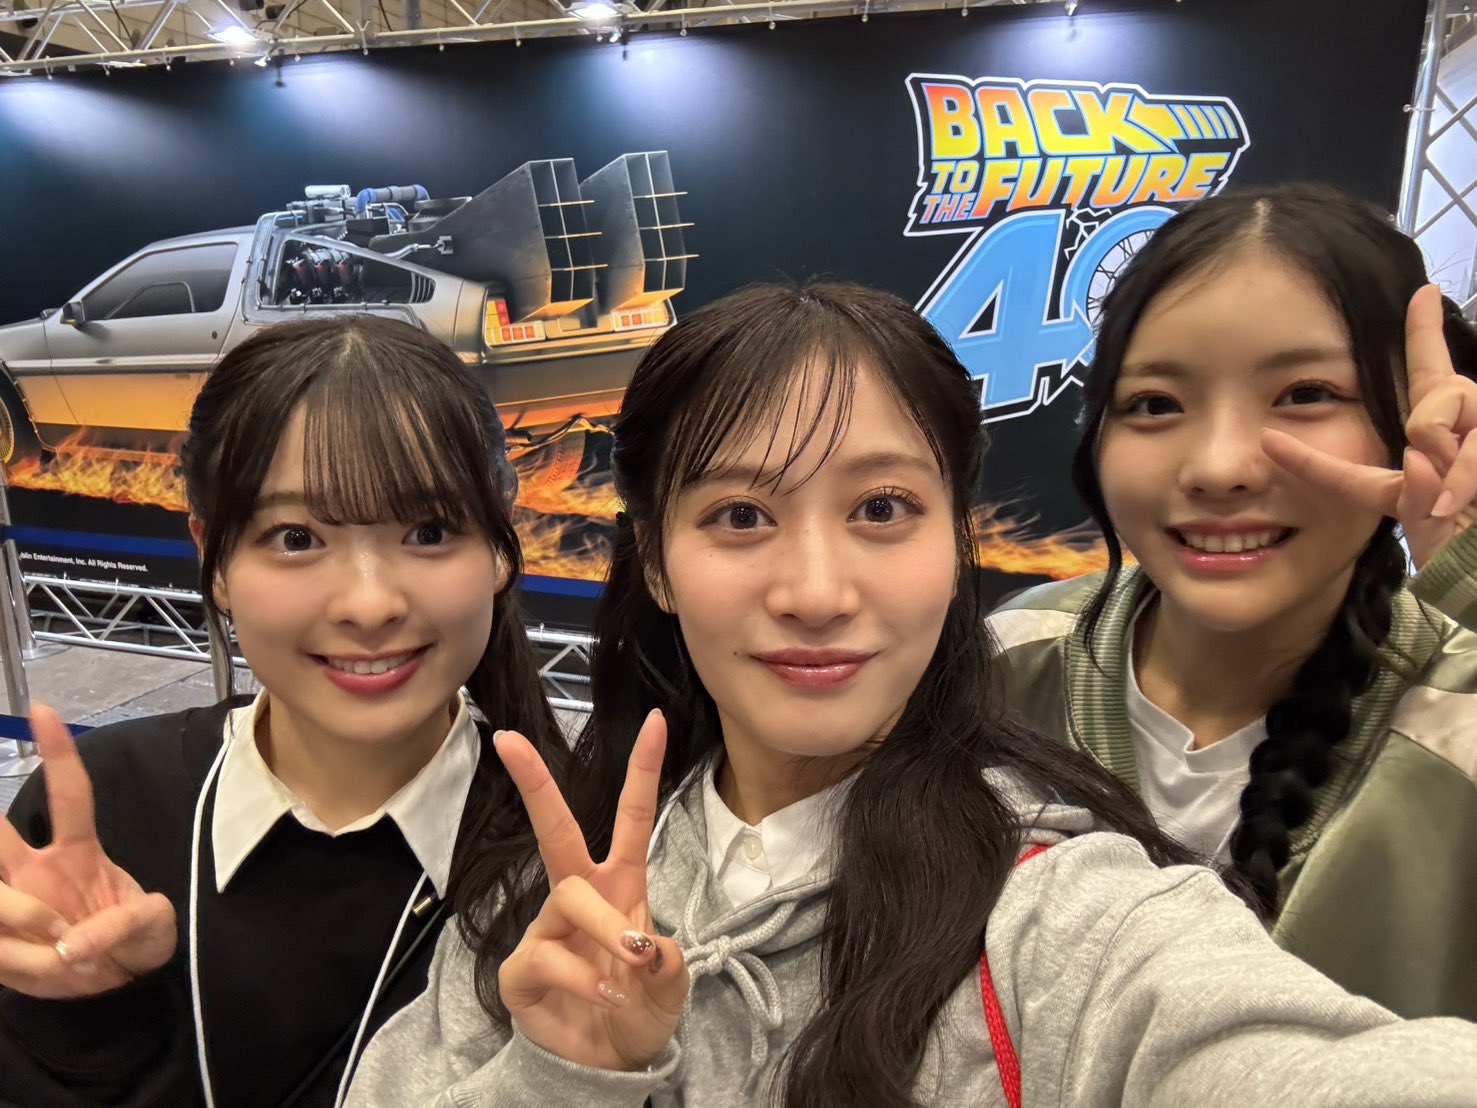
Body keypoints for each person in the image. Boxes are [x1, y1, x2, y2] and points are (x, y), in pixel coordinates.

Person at [347, 282, 1477, 1108]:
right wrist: (557, 1075)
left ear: (953, 543)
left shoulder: (1063, 915)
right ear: (655, 562)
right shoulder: (548, 894)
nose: (815, 592)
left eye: (881, 509)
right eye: (739, 516)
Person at [0, 315, 565, 1107]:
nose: (369, 604)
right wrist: (88, 1016)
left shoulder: (580, 852)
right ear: (214, 559)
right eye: (296, 537)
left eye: (429, 530)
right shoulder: (108, 807)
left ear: (502, 549)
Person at [988, 183, 1477, 1021]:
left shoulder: (1458, 722)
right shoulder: (1008, 661)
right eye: (1153, 404)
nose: (1219, 467)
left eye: (1305, 394)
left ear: (1409, 420)